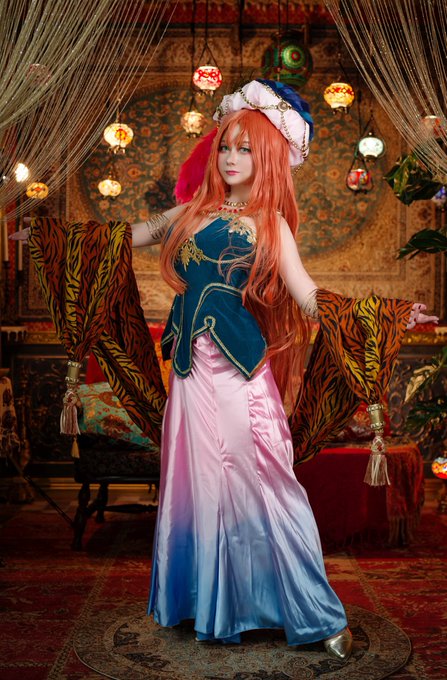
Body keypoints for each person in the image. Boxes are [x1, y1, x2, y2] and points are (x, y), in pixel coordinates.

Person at [12, 79, 438, 661]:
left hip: (241, 378)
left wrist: (389, 314)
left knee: (267, 485)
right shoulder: (189, 213)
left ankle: (315, 612)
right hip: (189, 378)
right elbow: (119, 240)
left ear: (268, 158)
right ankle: (211, 605)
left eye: (246, 148)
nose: (231, 158)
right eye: (226, 146)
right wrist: (45, 238)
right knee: (199, 489)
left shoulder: (271, 224)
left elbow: (309, 298)